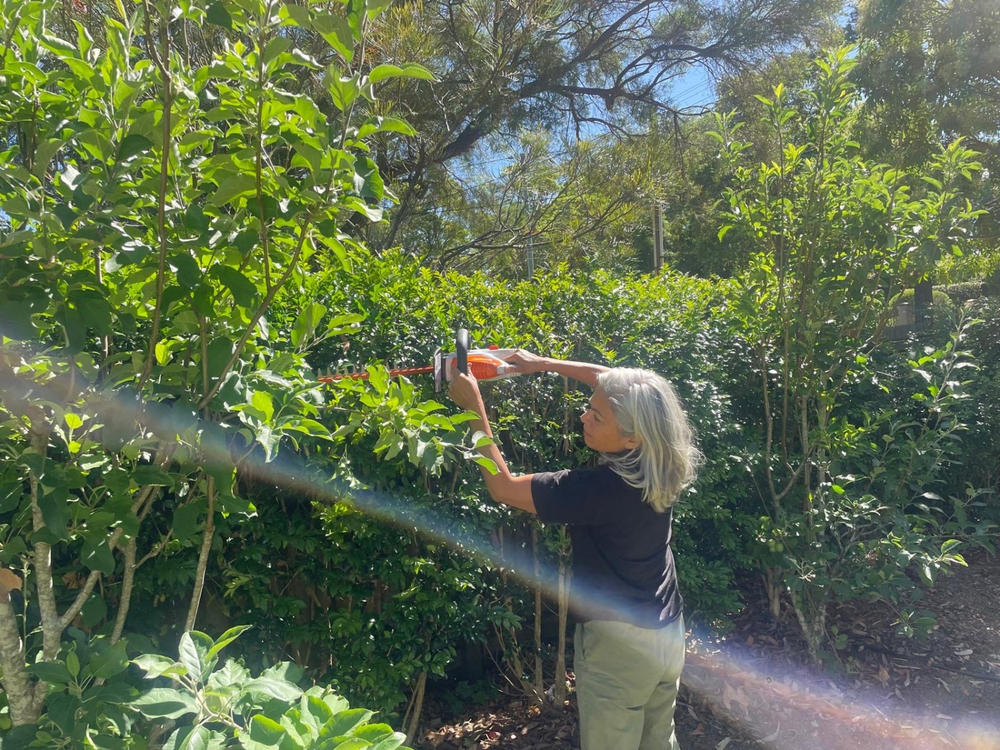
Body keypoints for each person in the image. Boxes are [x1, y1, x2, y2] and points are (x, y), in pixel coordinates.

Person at [448, 350, 700, 750]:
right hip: (667, 631)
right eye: (589, 407)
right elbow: (612, 379)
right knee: (658, 740)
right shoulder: (663, 459)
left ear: (631, 436)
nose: (584, 416)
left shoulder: (597, 490)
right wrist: (542, 364)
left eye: (597, 416)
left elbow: (504, 488)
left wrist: (473, 406)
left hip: (619, 649)